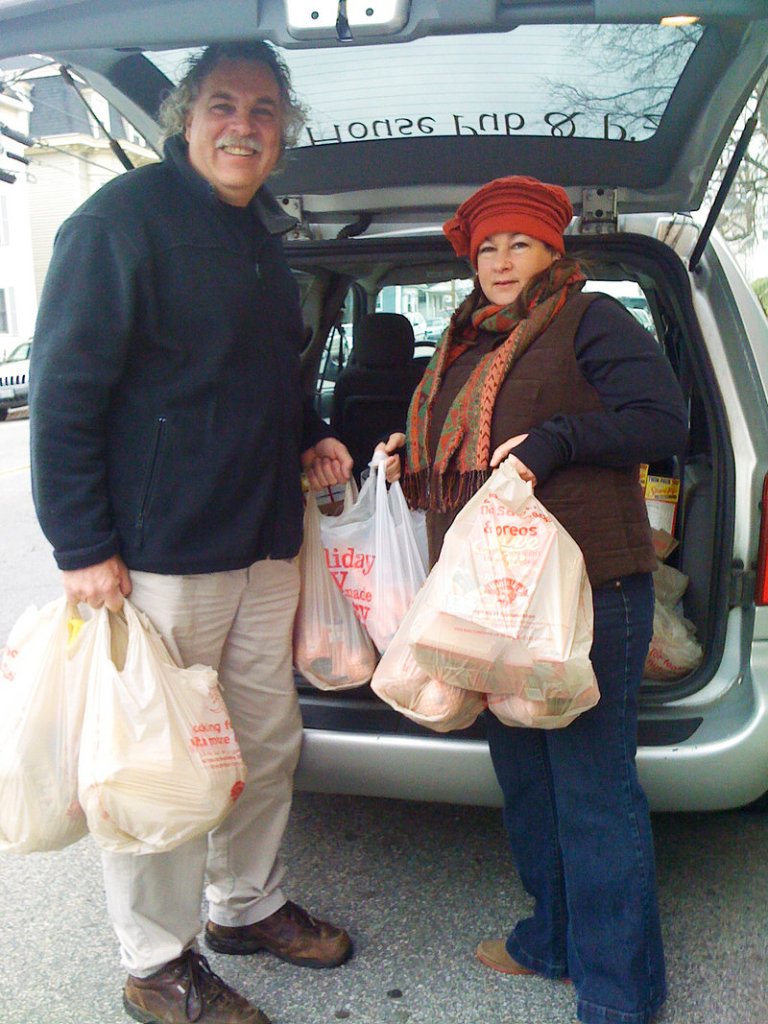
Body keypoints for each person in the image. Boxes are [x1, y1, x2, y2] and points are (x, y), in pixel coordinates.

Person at [30, 41, 354, 1024]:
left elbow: (259, 377)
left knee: (264, 742)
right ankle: (154, 963)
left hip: (262, 544)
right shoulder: (117, 226)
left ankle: (245, 906)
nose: (243, 126)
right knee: (161, 765)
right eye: (223, 105)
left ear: (282, 130)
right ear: (186, 116)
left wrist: (309, 437)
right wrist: (82, 544)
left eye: (263, 110)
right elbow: (65, 397)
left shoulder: (261, 232)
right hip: (161, 553)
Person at [379, 175, 688, 1024]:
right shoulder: (464, 344)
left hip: (586, 589)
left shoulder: (591, 319)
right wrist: (414, 459)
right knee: (526, 781)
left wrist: (557, 440)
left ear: (555, 250)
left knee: (592, 789)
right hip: (488, 599)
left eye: (519, 242)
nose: (501, 261)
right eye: (487, 247)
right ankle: (551, 939)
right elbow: (468, 455)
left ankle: (620, 992)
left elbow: (664, 419)